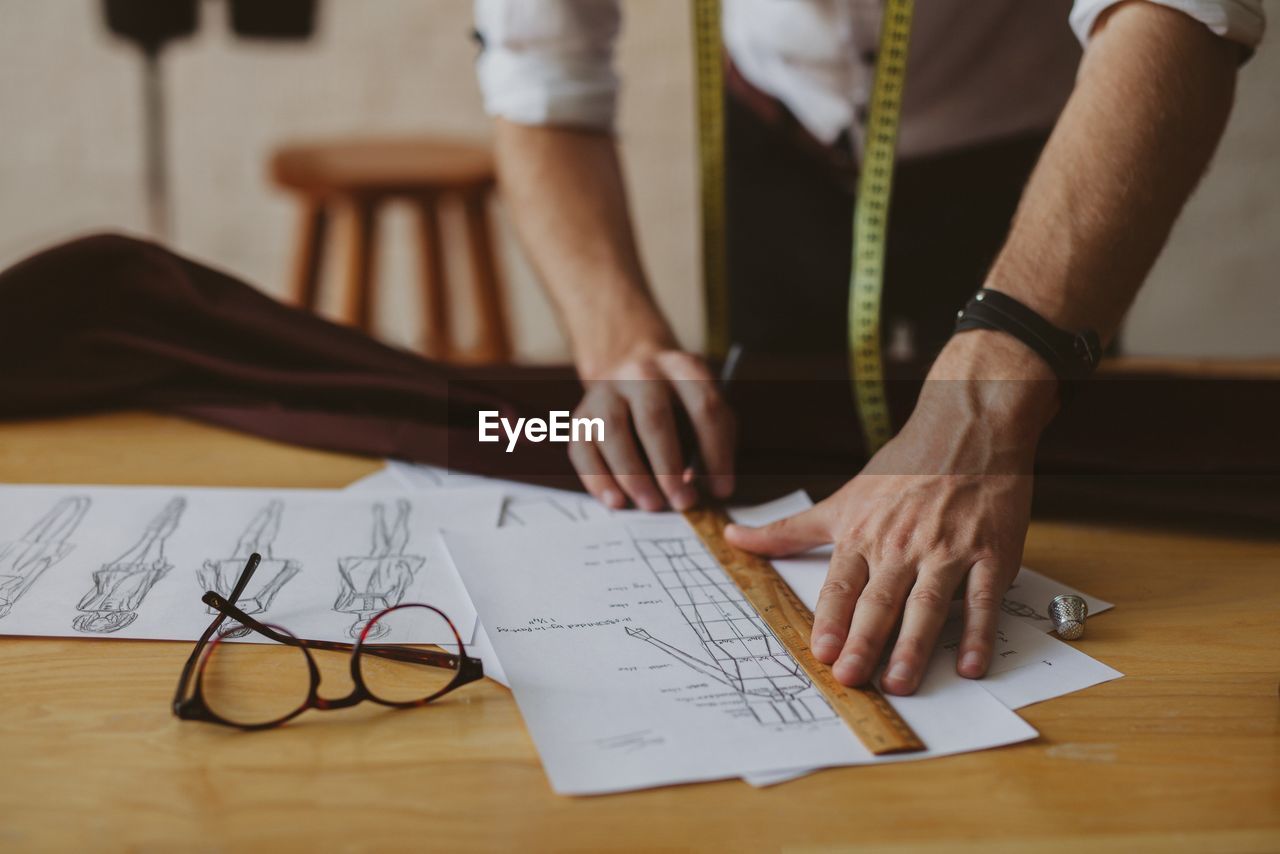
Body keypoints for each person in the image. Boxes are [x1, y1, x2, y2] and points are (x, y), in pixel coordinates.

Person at [471, 0, 1264, 695]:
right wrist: (617, 340)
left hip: (1038, 157)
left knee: (1048, 519)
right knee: (754, 470)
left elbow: (1180, 10)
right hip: (777, 134)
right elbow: (538, 58)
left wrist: (983, 409)